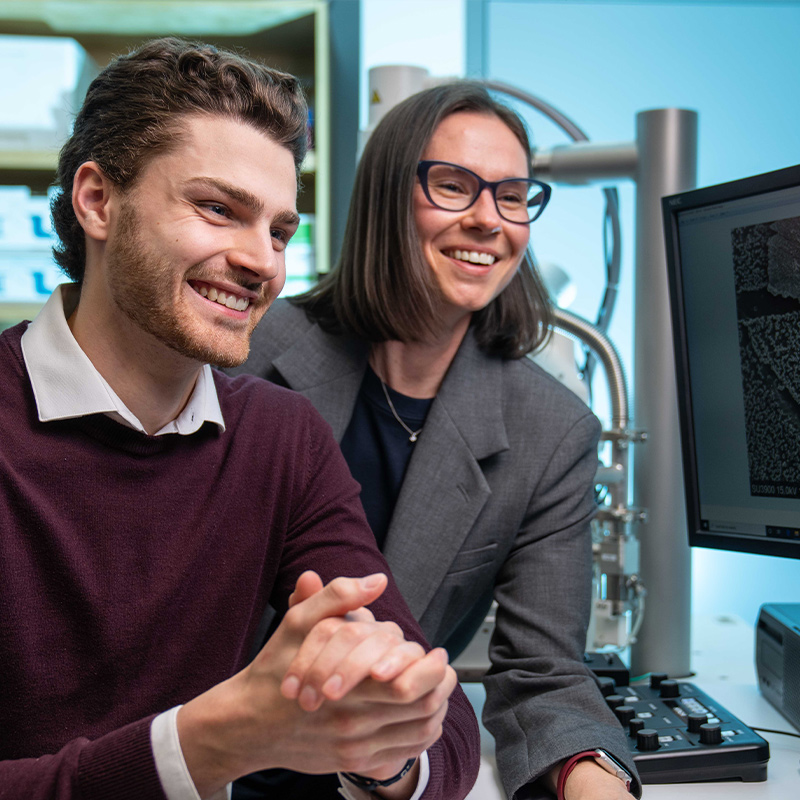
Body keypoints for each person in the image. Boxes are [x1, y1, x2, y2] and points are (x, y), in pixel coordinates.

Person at [0, 38, 481, 800]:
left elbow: (444, 728)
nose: (262, 262)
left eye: (280, 231)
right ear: (97, 200)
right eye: (218, 209)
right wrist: (197, 746)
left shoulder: (279, 439)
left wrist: (383, 732)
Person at [230, 82, 643, 800]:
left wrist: (597, 784)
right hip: (203, 756)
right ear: (389, 199)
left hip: (376, 778)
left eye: (513, 196)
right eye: (454, 186)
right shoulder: (250, 351)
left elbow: (543, 673)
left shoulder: (550, 431)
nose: (490, 220)